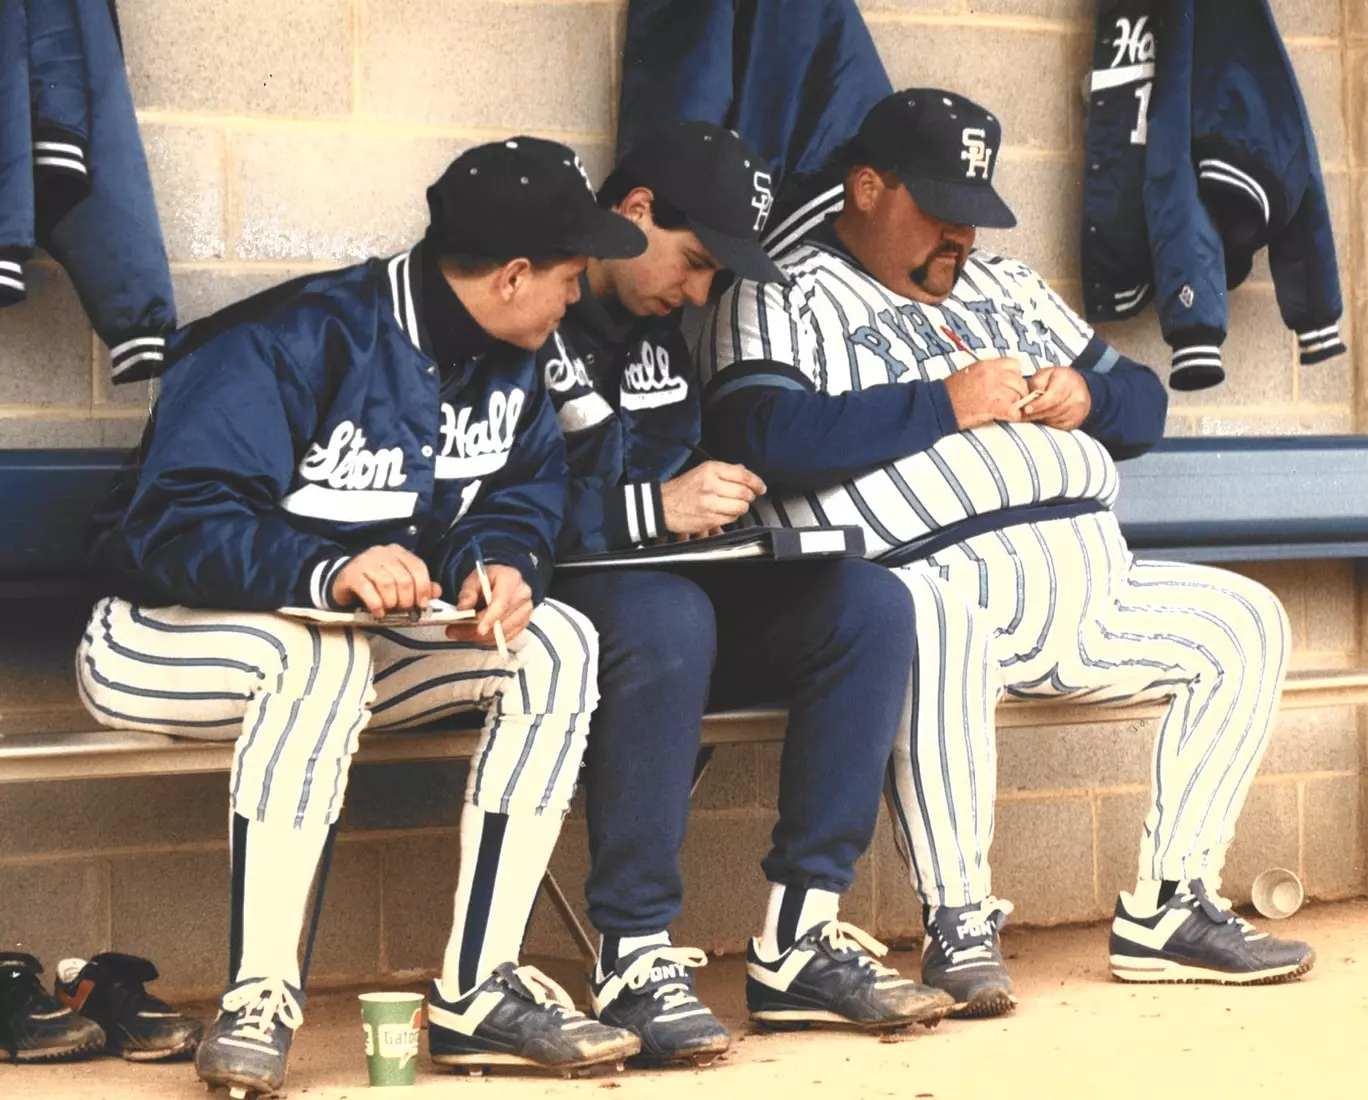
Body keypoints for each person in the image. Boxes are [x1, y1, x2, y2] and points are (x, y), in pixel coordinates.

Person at [699, 89, 1315, 1019]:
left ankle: (1170, 906)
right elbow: (761, 430)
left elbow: (1144, 404)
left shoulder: (1010, 288)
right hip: (939, 587)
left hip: (1092, 588)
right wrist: (945, 401)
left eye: (972, 213)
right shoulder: (781, 290)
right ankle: (958, 920)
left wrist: (1086, 396)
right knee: (934, 617)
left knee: (1244, 620)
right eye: (939, 210)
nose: (961, 235)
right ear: (867, 188)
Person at [75, 138, 649, 1094]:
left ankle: (481, 991)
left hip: (354, 649)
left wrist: (497, 566)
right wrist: (326, 565)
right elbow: (171, 523)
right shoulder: (286, 338)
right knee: (317, 661)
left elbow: (522, 494)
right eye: (571, 274)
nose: (577, 296)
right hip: (156, 636)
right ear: (513, 275)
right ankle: (258, 996)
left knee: (554, 643)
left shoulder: (514, 362)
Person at [540, 120, 952, 1065]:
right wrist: (650, 509)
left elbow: (674, 482)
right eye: (692, 261)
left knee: (867, 602)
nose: (700, 292)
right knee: (671, 615)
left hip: (654, 596)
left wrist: (725, 516)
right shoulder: (526, 307)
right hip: (557, 603)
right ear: (634, 210)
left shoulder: (658, 337)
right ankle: (633, 955)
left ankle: (800, 942)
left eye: (717, 275)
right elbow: (495, 508)